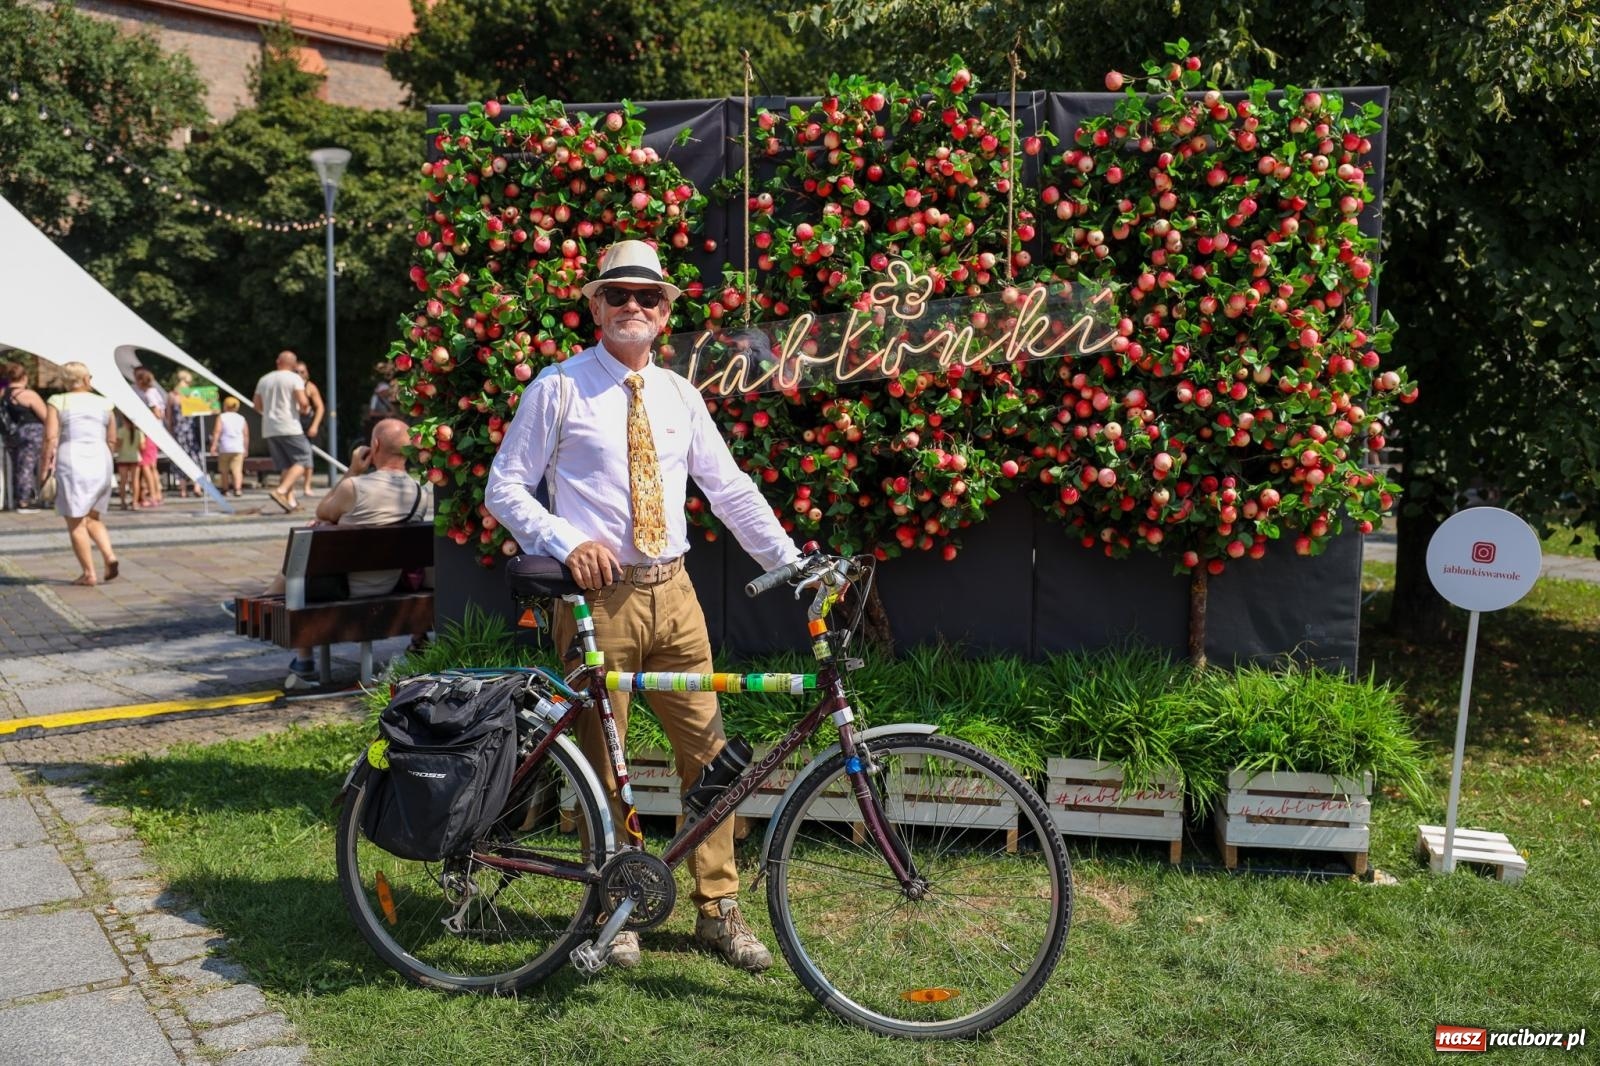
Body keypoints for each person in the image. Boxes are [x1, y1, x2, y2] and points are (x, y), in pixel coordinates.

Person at [485, 240, 799, 973]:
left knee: (713, 758)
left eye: (648, 297)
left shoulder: (679, 395)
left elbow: (728, 489)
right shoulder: (558, 388)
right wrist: (565, 543)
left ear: (666, 314)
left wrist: (790, 563)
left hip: (675, 592)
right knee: (604, 763)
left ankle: (717, 909)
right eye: (619, 294)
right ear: (594, 305)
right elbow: (506, 486)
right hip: (598, 600)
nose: (634, 306)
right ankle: (615, 902)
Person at [232, 418, 431, 689]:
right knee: (321, 536)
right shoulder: (420, 493)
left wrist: (352, 470)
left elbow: (323, 510)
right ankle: (288, 639)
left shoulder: (354, 488)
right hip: (390, 586)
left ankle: (301, 657)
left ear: (374, 446)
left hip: (341, 590)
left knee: (310, 547)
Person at [40, 361, 120, 585]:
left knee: (75, 521)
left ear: (65, 381)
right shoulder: (106, 403)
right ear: (86, 379)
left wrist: (45, 466)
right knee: (93, 517)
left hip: (72, 460)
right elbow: (112, 438)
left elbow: (50, 438)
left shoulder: (58, 401)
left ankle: (89, 573)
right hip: (101, 459)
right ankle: (109, 555)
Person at [253, 350, 312, 512]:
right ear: (294, 365)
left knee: (287, 465)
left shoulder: (264, 379)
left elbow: (257, 405)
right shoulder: (294, 378)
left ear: (278, 362)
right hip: (289, 425)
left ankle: (290, 502)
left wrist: (270, 414)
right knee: (304, 459)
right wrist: (304, 409)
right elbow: (303, 402)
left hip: (270, 428)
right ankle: (281, 491)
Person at [2, 361, 49, 512]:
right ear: (24, 377)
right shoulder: (28, 395)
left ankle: (14, 498)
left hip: (11, 434)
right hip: (31, 433)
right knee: (27, 467)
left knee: (16, 466)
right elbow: (46, 416)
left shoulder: (3, 394)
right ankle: (24, 501)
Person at [166, 369, 206, 498]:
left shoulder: (172, 395)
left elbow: (169, 417)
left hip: (179, 433)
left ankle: (183, 490)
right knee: (196, 459)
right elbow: (202, 414)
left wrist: (171, 431)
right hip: (191, 432)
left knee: (180, 460)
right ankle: (197, 487)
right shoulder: (192, 395)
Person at [132, 366, 164, 508]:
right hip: (154, 433)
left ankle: (153, 495)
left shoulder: (149, 394)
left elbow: (157, 413)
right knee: (152, 466)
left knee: (146, 466)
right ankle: (156, 494)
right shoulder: (154, 392)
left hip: (149, 432)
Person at [209, 395, 250, 498]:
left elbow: (217, 432)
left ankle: (225, 489)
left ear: (225, 406)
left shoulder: (222, 417)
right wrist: (246, 448)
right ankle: (238, 489)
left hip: (225, 447)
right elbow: (246, 435)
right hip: (238, 447)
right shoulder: (242, 418)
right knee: (237, 470)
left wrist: (213, 445)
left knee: (224, 470)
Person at [114, 418, 144, 509]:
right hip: (135, 458)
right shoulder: (139, 432)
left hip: (123, 457)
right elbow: (142, 447)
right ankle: (135, 502)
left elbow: (118, 445)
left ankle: (123, 502)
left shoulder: (121, 431)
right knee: (135, 481)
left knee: (123, 481)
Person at [294, 361, 326, 444]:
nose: (299, 375)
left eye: (302, 372)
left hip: (305, 422)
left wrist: (314, 426)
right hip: (291, 420)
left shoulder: (310, 387)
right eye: (296, 372)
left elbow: (320, 407)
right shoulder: (288, 385)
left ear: (307, 374)